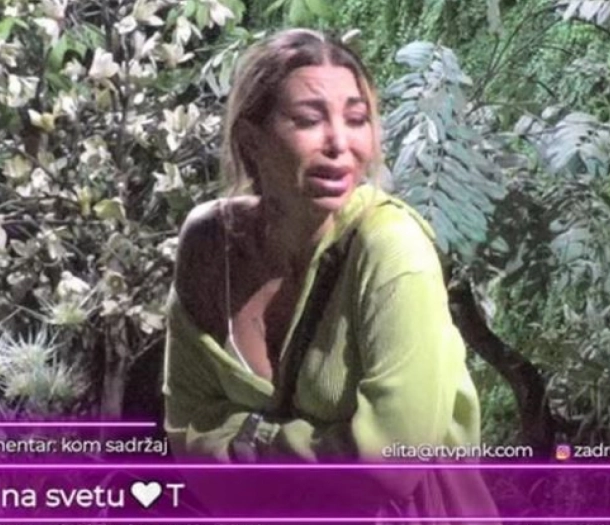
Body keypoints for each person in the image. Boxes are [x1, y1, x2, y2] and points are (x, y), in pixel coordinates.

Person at [163, 28, 497, 521]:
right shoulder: (211, 244)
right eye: (308, 120)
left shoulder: (391, 249)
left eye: (357, 119)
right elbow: (189, 437)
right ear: (251, 139)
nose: (340, 143)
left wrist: (251, 442)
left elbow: (390, 467)